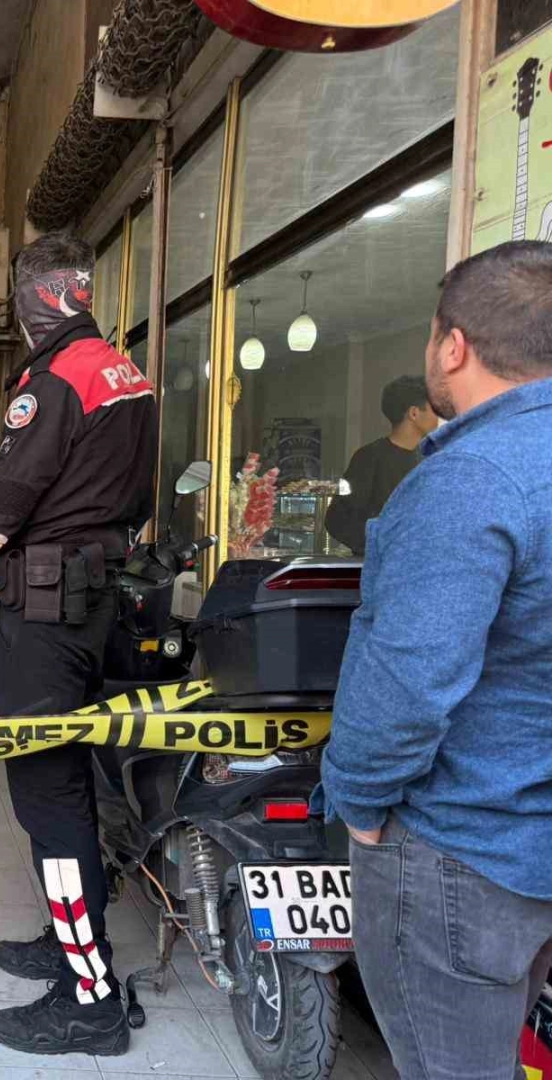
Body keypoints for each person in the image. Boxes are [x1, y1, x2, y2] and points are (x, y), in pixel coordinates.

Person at [320, 241, 552, 1080]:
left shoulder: (470, 478)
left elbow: (410, 679)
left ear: (453, 346)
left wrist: (358, 800)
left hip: (463, 850)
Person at [0, 229, 157, 1056]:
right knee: (71, 776)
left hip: (45, 605)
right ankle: (69, 939)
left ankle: (90, 997)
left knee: (47, 793)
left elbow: (7, 497)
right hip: (95, 595)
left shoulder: (55, 379)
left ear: (37, 298)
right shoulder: (125, 373)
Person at [324, 374, 438, 553]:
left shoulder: (430, 459)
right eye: (434, 409)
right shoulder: (368, 458)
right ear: (414, 413)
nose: (439, 415)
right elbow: (336, 520)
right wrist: (379, 545)